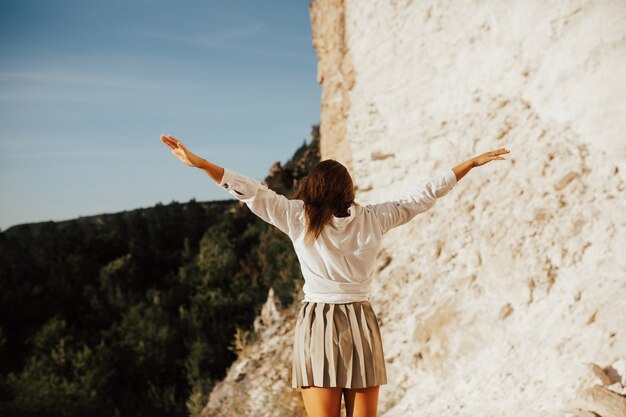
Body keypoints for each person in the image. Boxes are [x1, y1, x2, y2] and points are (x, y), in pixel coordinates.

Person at [160, 134, 509, 417]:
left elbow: (250, 191)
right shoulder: (374, 217)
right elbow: (424, 195)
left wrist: (201, 163)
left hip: (319, 324)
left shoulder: (298, 218)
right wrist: (470, 164)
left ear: (312, 187)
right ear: (348, 189)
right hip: (360, 320)